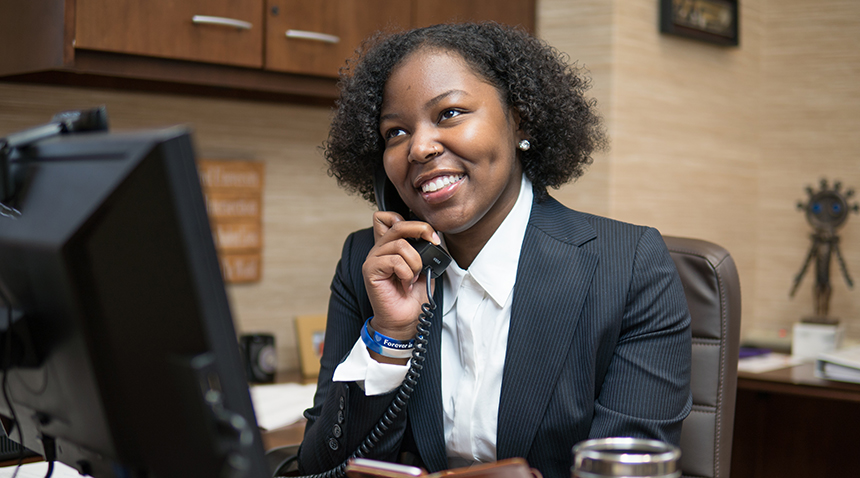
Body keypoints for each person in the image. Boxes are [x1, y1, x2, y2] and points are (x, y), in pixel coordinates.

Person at [297, 22, 692, 478]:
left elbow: (626, 469)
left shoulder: (628, 267)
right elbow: (319, 467)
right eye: (395, 133)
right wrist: (390, 338)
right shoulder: (369, 264)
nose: (419, 148)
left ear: (518, 118)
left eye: (449, 114)